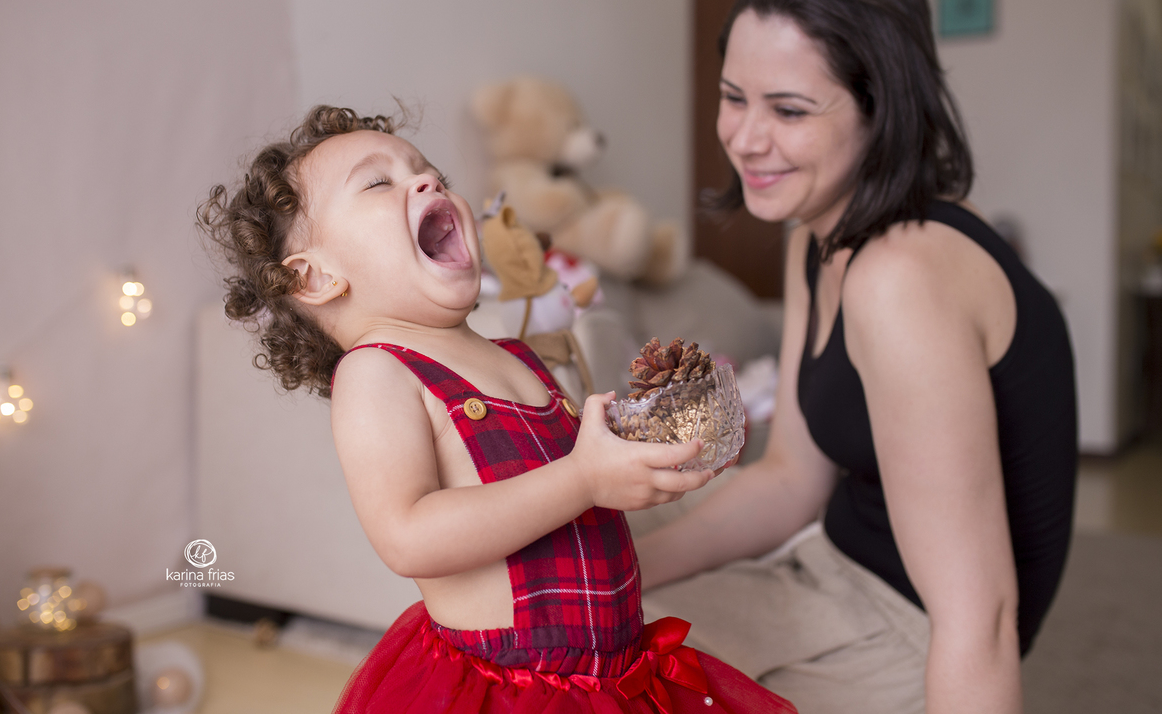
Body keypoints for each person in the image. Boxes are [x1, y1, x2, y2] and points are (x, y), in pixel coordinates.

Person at [197, 105, 796, 714]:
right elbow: (408, 536)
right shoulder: (378, 371)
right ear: (316, 278)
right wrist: (583, 477)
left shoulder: (514, 353)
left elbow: (563, 494)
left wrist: (630, 464)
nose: (426, 182)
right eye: (378, 183)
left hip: (615, 679)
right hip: (511, 689)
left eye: (432, 174)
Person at [634, 0, 1077, 714]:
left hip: (910, 635)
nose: (744, 138)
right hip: (828, 571)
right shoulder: (816, 235)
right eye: (734, 97)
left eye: (789, 110)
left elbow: (979, 619)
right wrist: (626, 571)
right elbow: (790, 479)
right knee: (577, 624)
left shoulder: (901, 277)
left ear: (883, 108)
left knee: (601, 678)